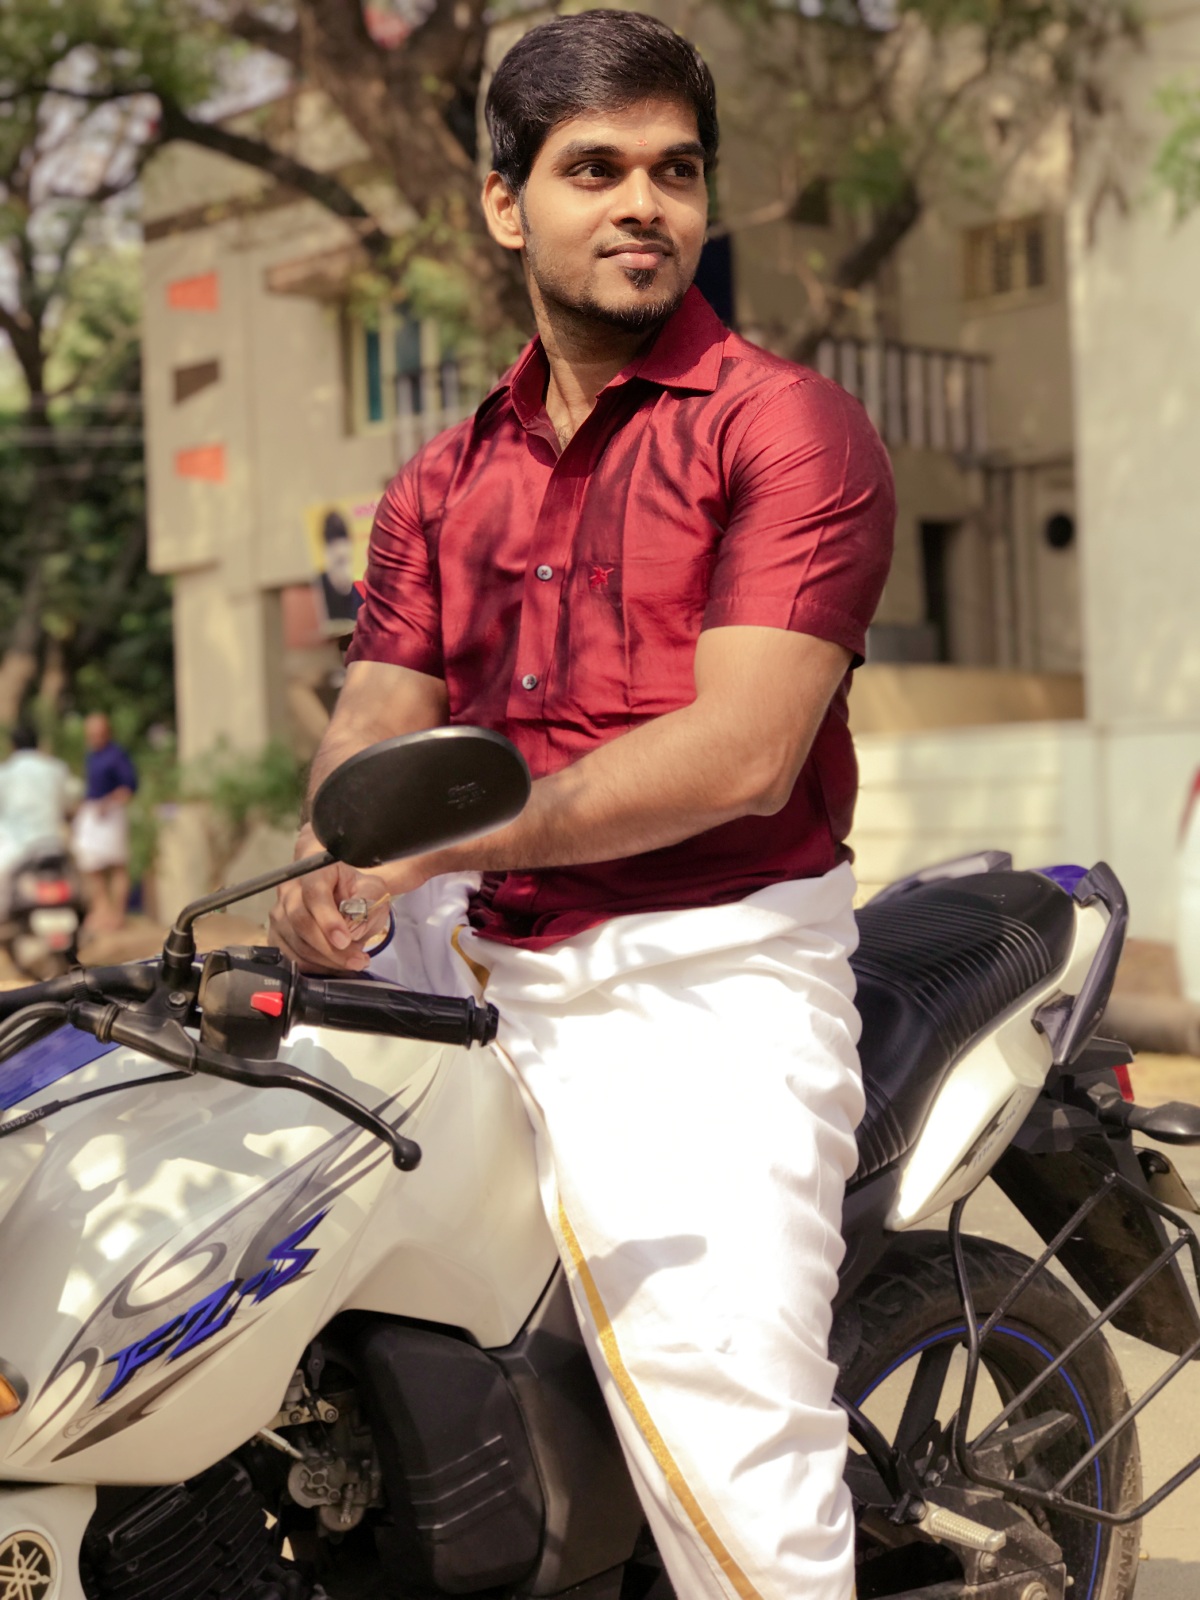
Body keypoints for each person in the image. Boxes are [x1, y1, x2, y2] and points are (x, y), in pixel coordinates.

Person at [271, 13, 894, 1599]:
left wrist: (430, 847)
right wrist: (325, 858)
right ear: (506, 203)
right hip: (474, 942)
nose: (642, 204)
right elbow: (373, 727)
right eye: (595, 169)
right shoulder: (438, 484)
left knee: (727, 1434)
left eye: (674, 172)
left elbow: (741, 755)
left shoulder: (784, 427)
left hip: (709, 968)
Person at [73, 712, 138, 932]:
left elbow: (129, 787)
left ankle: (117, 914)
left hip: (111, 814)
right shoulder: (91, 756)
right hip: (92, 814)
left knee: (117, 865)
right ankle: (102, 910)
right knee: (92, 865)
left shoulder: (116, 755)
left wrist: (109, 802)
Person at [0, 725, 72, 911]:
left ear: (12, 745)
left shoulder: (6, 773)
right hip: (54, 843)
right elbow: (70, 801)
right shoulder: (56, 768)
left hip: (16, 848)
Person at [317, 508, 363, 628]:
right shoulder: (317, 594)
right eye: (340, 562)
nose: (347, 572)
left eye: (349, 561)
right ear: (326, 557)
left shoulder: (359, 596)